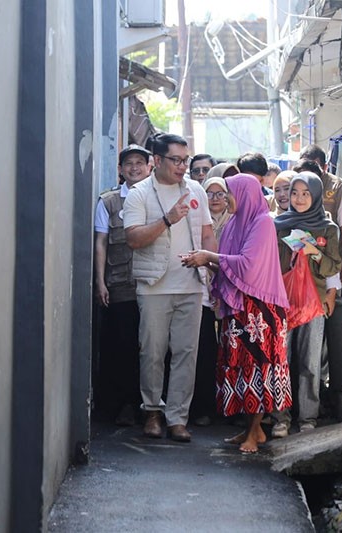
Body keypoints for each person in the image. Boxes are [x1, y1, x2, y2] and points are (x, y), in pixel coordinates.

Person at [181, 173, 292, 453]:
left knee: (257, 367)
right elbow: (230, 267)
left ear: (244, 194)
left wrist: (208, 257)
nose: (226, 198)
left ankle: (255, 432)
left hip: (261, 311)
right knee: (239, 367)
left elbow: (248, 265)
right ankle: (248, 430)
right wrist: (204, 261)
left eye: (229, 193)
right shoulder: (233, 224)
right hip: (238, 308)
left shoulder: (263, 223)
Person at [123, 133, 217, 442]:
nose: (182, 166)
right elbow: (134, 239)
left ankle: (178, 418)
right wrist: (168, 218)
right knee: (152, 351)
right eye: (176, 160)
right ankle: (152, 411)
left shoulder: (196, 190)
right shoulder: (139, 194)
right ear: (157, 161)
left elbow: (206, 234)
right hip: (154, 285)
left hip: (191, 285)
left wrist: (210, 268)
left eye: (185, 160)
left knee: (186, 354)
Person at [271, 172, 341, 437]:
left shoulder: (328, 227)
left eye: (305, 193)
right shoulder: (278, 225)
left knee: (310, 362)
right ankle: (280, 418)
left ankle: (308, 417)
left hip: (314, 302)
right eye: (295, 193)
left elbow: (334, 264)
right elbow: (271, 265)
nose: (299, 199)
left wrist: (313, 251)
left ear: (315, 195)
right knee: (282, 361)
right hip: (282, 301)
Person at [93, 144, 152, 426]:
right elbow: (101, 242)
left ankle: (149, 405)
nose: (134, 168)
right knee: (122, 346)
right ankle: (124, 404)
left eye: (140, 162)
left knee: (151, 348)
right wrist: (99, 281)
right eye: (129, 163)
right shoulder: (108, 202)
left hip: (152, 285)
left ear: (149, 166)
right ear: (120, 169)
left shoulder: (158, 199)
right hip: (120, 285)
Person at [189, 176, 232, 426]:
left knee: (225, 354)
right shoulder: (196, 219)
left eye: (220, 193)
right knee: (202, 351)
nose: (215, 199)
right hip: (200, 292)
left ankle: (225, 406)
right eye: (210, 193)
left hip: (228, 294)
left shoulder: (236, 223)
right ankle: (200, 407)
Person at [299, 144, 342, 285]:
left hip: (329, 260)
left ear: (325, 167)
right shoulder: (296, 185)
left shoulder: (338, 187)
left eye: (313, 167)